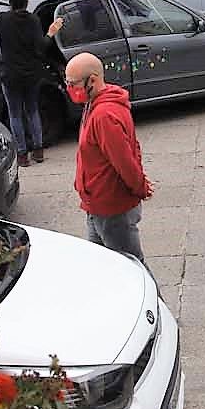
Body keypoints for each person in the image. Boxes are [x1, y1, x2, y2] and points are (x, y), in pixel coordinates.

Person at [67, 51, 151, 263]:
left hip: (112, 209)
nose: (69, 89)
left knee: (131, 267)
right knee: (101, 265)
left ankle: (154, 297)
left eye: (73, 84)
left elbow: (124, 160)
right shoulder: (93, 104)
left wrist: (139, 187)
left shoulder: (104, 115)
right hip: (96, 205)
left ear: (92, 80)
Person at [0, 0, 60, 166]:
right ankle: (38, 151)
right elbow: (42, 46)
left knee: (15, 115)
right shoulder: (34, 20)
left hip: (10, 75)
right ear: (26, 1)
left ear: (10, 2)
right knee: (32, 111)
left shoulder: (1, 19)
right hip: (32, 75)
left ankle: (22, 155)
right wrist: (51, 33)